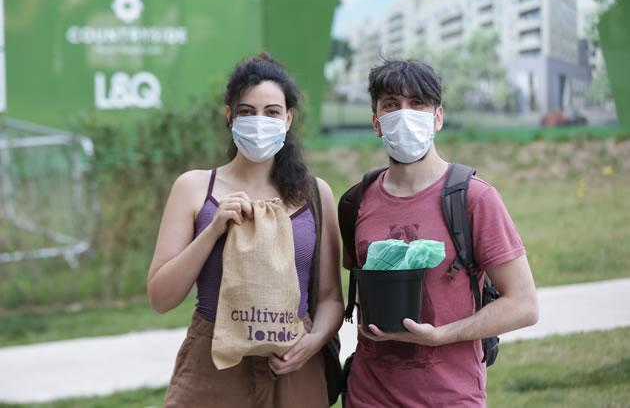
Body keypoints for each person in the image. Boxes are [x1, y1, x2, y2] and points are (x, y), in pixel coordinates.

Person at [147, 52, 344, 407]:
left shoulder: (316, 194)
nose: (259, 122)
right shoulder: (194, 188)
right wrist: (213, 231)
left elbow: (330, 297)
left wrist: (311, 343)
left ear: (287, 119)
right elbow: (161, 298)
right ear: (229, 117)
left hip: (293, 364)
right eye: (246, 112)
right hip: (213, 366)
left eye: (271, 112)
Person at [342, 59, 539, 407]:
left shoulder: (474, 198)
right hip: (367, 396)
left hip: (450, 398)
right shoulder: (355, 202)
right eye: (391, 104)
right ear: (376, 123)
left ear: (438, 117)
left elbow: (523, 305)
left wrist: (441, 336)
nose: (404, 113)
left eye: (417, 103)